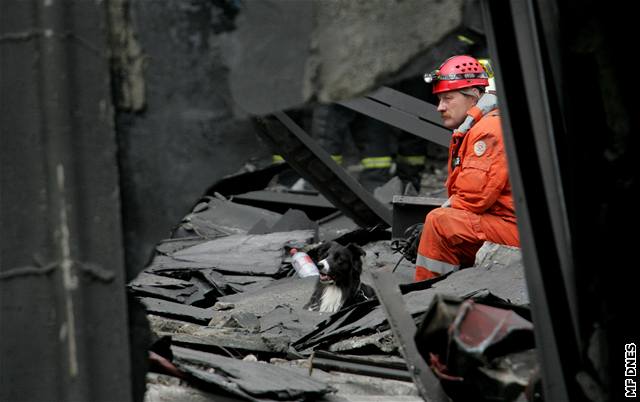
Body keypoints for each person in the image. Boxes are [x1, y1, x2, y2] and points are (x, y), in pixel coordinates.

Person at [414, 55, 519, 281]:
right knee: (441, 222)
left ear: (473, 95)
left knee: (439, 224)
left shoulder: (488, 130)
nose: (440, 107)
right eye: (439, 99)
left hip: (514, 228)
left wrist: (435, 220)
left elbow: (474, 198)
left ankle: (426, 295)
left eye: (448, 98)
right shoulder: (481, 126)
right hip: (507, 223)